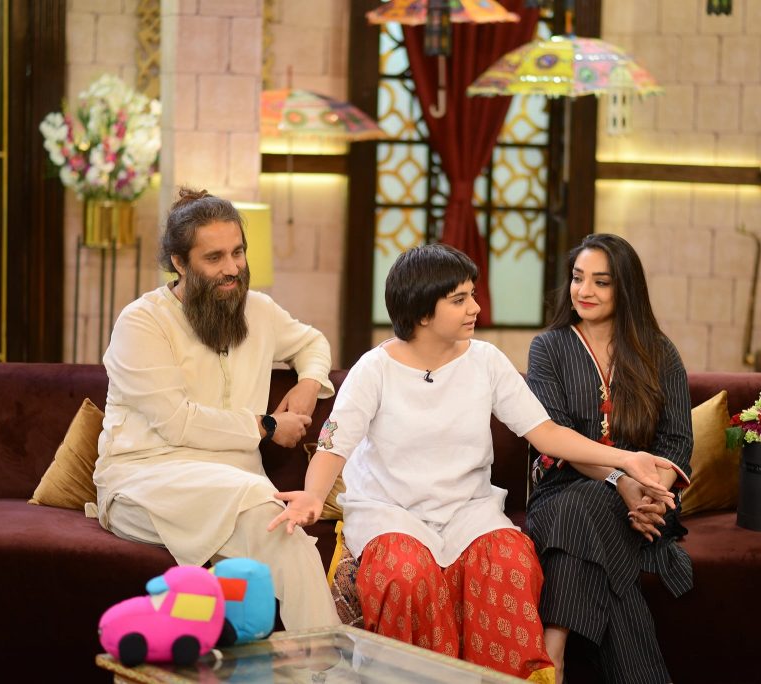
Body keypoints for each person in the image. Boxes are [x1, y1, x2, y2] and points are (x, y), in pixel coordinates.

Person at [268, 243, 681, 682]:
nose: (475, 308)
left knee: (511, 562)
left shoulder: (485, 360)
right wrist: (312, 496)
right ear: (423, 311)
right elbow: (333, 445)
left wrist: (625, 459)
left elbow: (546, 433)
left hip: (468, 511)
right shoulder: (374, 369)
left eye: (473, 295)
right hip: (392, 513)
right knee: (406, 573)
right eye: (460, 299)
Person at [91, 187, 340, 631]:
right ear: (179, 262)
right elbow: (176, 421)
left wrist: (307, 382)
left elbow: (312, 342)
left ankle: (321, 671)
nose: (232, 269)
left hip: (239, 491)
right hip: (147, 479)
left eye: (238, 252)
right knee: (265, 510)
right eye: (215, 258)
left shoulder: (257, 310)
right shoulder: (142, 322)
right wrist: (265, 425)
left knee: (287, 538)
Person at [526, 233, 693, 684]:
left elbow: (677, 442)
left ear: (626, 289)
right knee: (581, 503)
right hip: (561, 491)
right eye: (579, 278)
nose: (584, 291)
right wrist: (622, 479)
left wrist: (651, 494)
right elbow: (555, 437)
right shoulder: (550, 348)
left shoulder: (659, 352)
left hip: (645, 502)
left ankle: (551, 654)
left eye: (601, 282)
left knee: (581, 517)